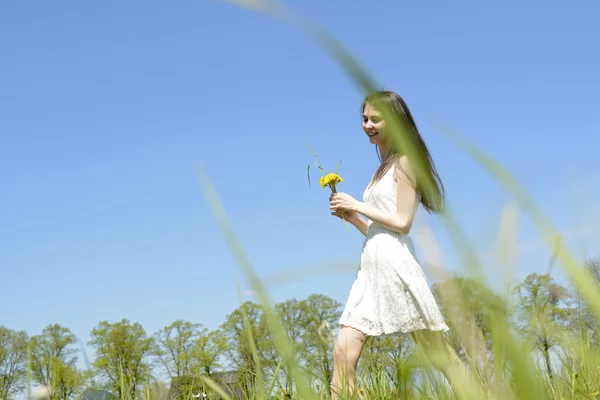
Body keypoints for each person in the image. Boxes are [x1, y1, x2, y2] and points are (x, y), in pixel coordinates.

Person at [328, 90, 466, 397]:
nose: (368, 125)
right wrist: (352, 217)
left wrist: (358, 204)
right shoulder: (383, 168)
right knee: (342, 354)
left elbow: (403, 223)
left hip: (397, 268)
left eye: (376, 119)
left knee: (440, 355)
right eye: (364, 119)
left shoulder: (405, 162)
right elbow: (381, 231)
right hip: (370, 268)